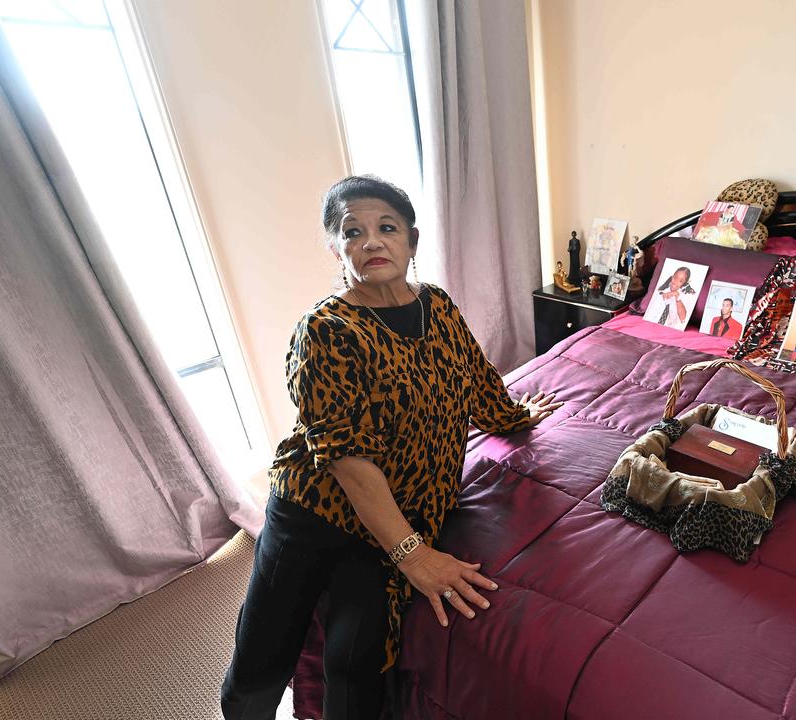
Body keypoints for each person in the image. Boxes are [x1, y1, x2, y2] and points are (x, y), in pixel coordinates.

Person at [220, 176, 563, 719]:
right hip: (314, 513)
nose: (372, 241)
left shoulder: (440, 307)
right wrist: (415, 555)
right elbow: (349, 462)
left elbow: (475, 380)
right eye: (352, 232)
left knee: (355, 666)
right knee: (262, 657)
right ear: (338, 249)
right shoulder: (326, 329)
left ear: (411, 240)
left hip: (389, 522)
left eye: (386, 228)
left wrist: (517, 418)